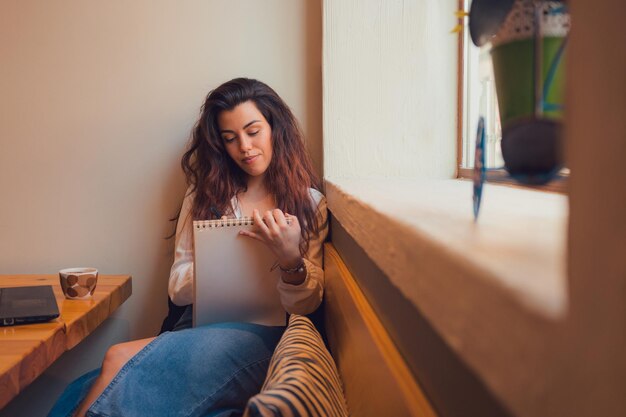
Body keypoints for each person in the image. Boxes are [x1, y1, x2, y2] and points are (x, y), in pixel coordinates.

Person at [48, 78, 328, 417]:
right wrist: (227, 259)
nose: (245, 147)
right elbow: (178, 287)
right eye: (230, 139)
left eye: (253, 132)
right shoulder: (205, 197)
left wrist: (288, 258)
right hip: (197, 326)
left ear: (275, 129)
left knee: (117, 357)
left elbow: (308, 304)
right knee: (82, 386)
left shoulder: (309, 204)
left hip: (265, 334)